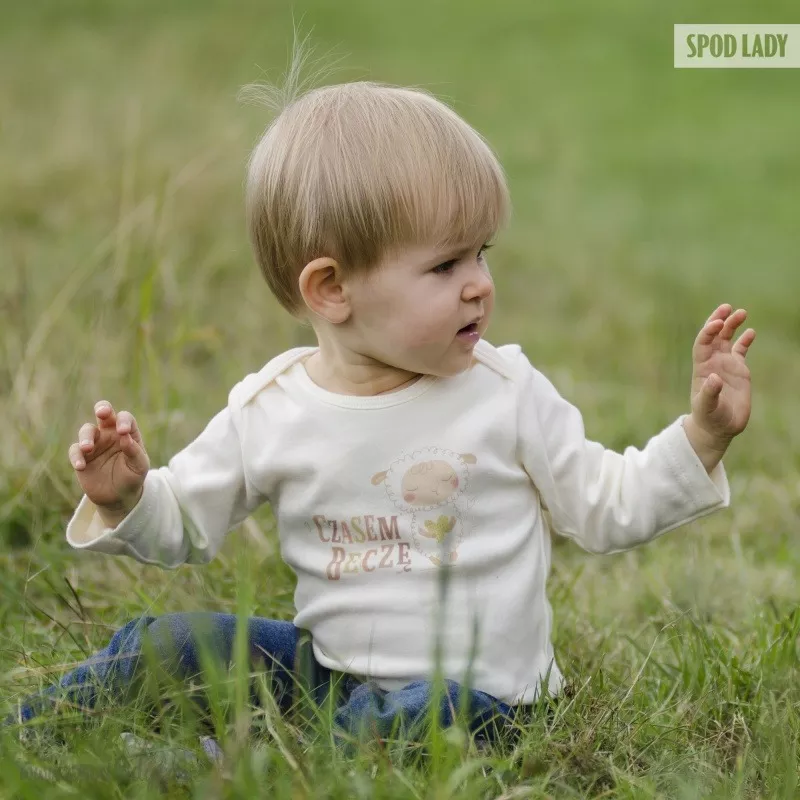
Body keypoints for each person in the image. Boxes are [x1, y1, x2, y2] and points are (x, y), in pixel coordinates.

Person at [9, 78, 756, 745]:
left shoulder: (503, 392)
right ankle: (30, 734)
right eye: (444, 265)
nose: (479, 286)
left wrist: (703, 435)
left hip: (479, 701)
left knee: (420, 715)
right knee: (168, 645)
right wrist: (132, 497)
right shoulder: (273, 409)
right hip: (330, 673)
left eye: (481, 254)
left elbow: (608, 504)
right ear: (331, 289)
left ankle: (257, 765)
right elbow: (187, 522)